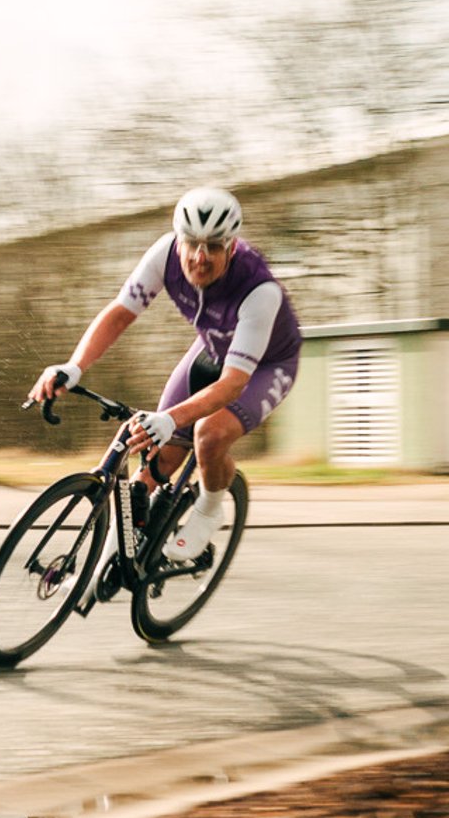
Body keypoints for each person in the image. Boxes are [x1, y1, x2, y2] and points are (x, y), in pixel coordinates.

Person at [27, 187, 302, 560]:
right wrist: (74, 366)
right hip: (212, 348)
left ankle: (208, 509)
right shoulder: (164, 255)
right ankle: (122, 551)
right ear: (179, 240)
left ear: (232, 247)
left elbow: (234, 383)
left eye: (214, 247)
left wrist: (174, 418)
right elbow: (121, 313)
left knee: (208, 435)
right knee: (155, 451)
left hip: (265, 366)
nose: (200, 258)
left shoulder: (260, 290)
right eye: (192, 244)